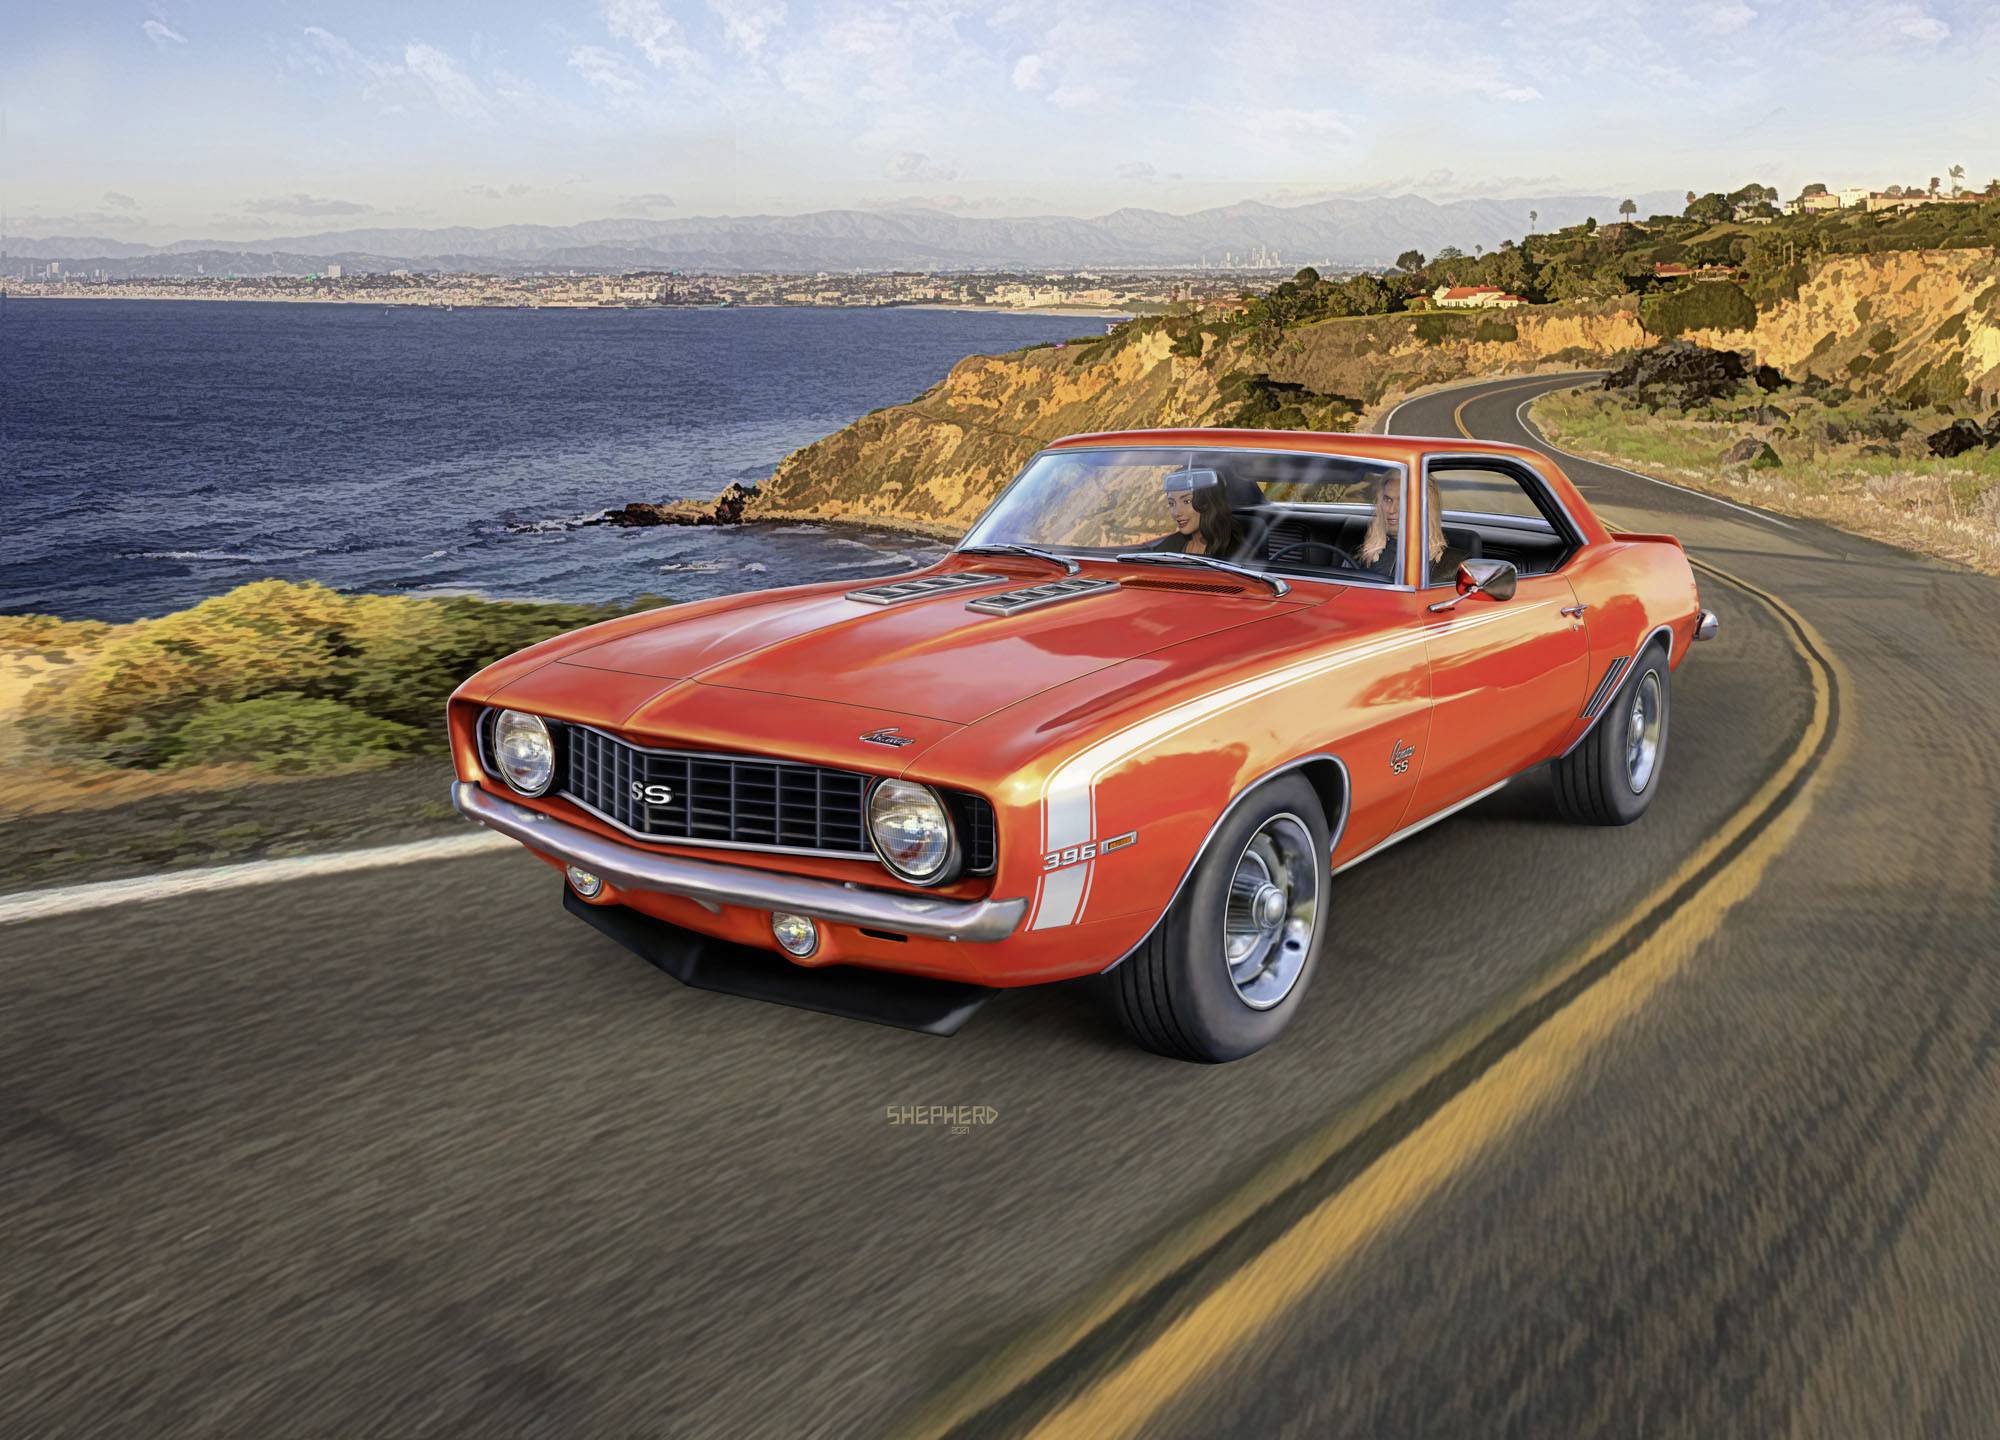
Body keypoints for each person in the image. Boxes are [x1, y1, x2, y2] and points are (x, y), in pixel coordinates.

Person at [1355, 474, 1464, 582]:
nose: (1392, 510)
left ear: (1427, 508)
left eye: (1403, 501)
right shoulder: (1362, 556)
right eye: (1387, 499)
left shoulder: (1455, 566)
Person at [1152, 467, 1244, 556]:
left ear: (1207, 502)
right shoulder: (1170, 545)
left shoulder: (1236, 552)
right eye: (1171, 503)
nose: (1176, 513)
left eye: (1187, 501)